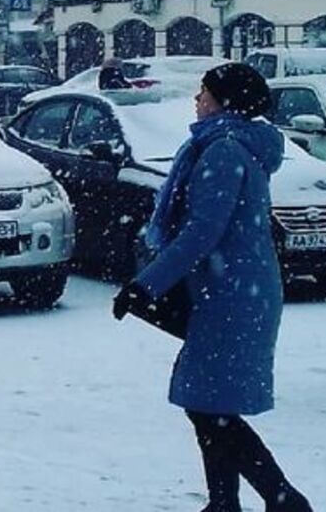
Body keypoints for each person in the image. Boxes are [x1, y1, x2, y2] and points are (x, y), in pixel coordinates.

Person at [113, 62, 312, 512]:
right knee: (207, 403)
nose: (197, 101)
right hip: (232, 289)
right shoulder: (233, 143)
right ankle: (225, 502)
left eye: (203, 94)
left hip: (232, 294)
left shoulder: (223, 149)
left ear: (225, 102)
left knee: (209, 407)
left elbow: (203, 231)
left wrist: (145, 286)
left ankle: (283, 501)